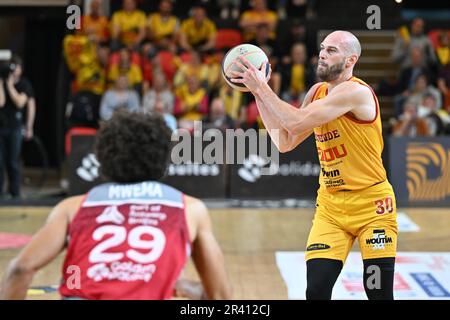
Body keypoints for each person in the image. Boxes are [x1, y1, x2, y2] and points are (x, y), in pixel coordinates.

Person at [230, 30, 398, 300]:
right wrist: (256, 93)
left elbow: (295, 120)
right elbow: (285, 140)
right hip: (330, 207)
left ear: (350, 59)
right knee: (316, 291)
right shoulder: (317, 91)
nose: (322, 53)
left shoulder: (356, 92)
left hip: (372, 205)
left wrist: (262, 87)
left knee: (378, 292)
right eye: (322, 48)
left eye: (332, 50)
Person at [0, 111, 232, 300]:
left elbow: (20, 270)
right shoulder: (189, 208)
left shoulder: (73, 207)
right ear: (163, 157)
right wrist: (190, 289)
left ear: (103, 156)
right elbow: (222, 297)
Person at [0, 55, 35, 199]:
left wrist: (29, 126)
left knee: (13, 161)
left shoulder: (24, 84)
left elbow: (21, 103)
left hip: (15, 127)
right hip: (1, 127)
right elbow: (1, 102)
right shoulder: (1, 82)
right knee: (0, 161)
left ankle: (15, 192)